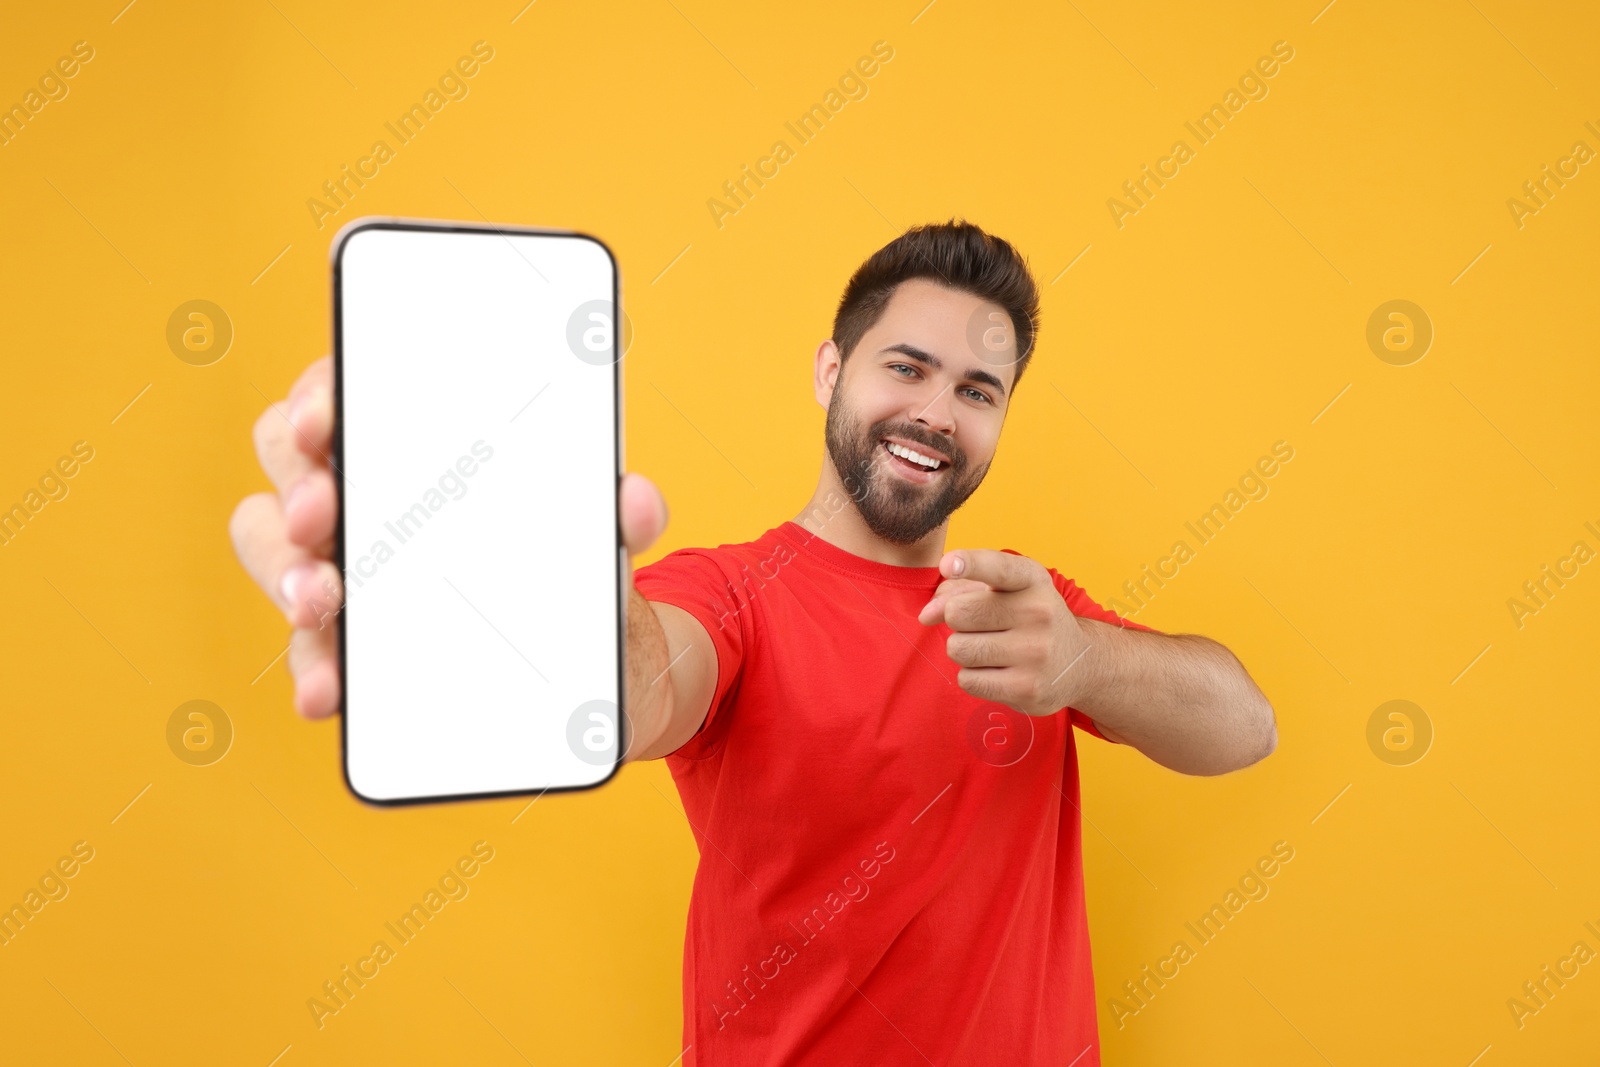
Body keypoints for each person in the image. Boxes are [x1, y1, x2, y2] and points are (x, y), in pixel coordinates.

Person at [231, 219, 1277, 1065]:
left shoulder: (1027, 610)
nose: (935, 412)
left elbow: (1243, 725)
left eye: (975, 390)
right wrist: (487, 565)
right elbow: (639, 689)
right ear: (829, 369)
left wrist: (1087, 660)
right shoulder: (732, 592)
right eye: (905, 367)